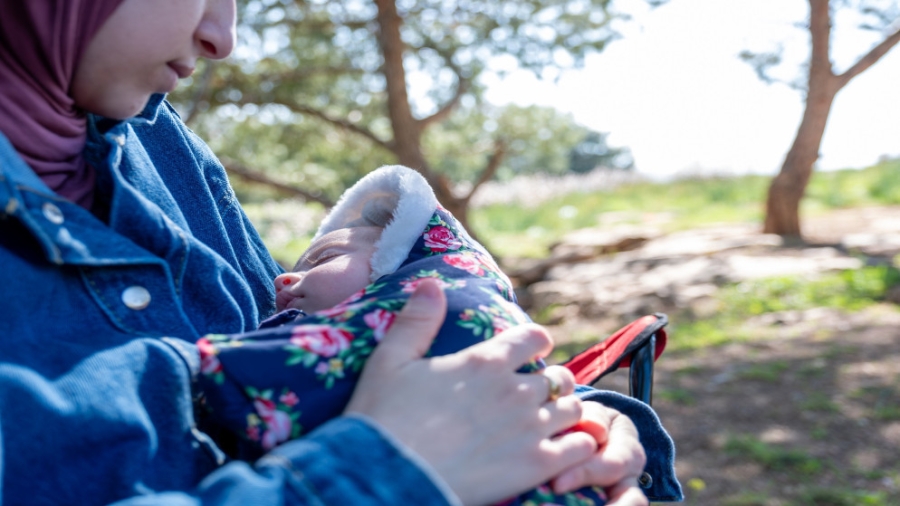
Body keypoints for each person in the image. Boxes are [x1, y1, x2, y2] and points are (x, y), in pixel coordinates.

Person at [0, 1, 663, 505]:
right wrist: (385, 468)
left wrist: (564, 418)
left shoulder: (156, 139)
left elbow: (316, 338)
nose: (222, 38)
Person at [195, 166, 682, 505]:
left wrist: (592, 409)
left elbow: (227, 374)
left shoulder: (435, 307)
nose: (280, 279)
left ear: (398, 266)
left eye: (323, 258)